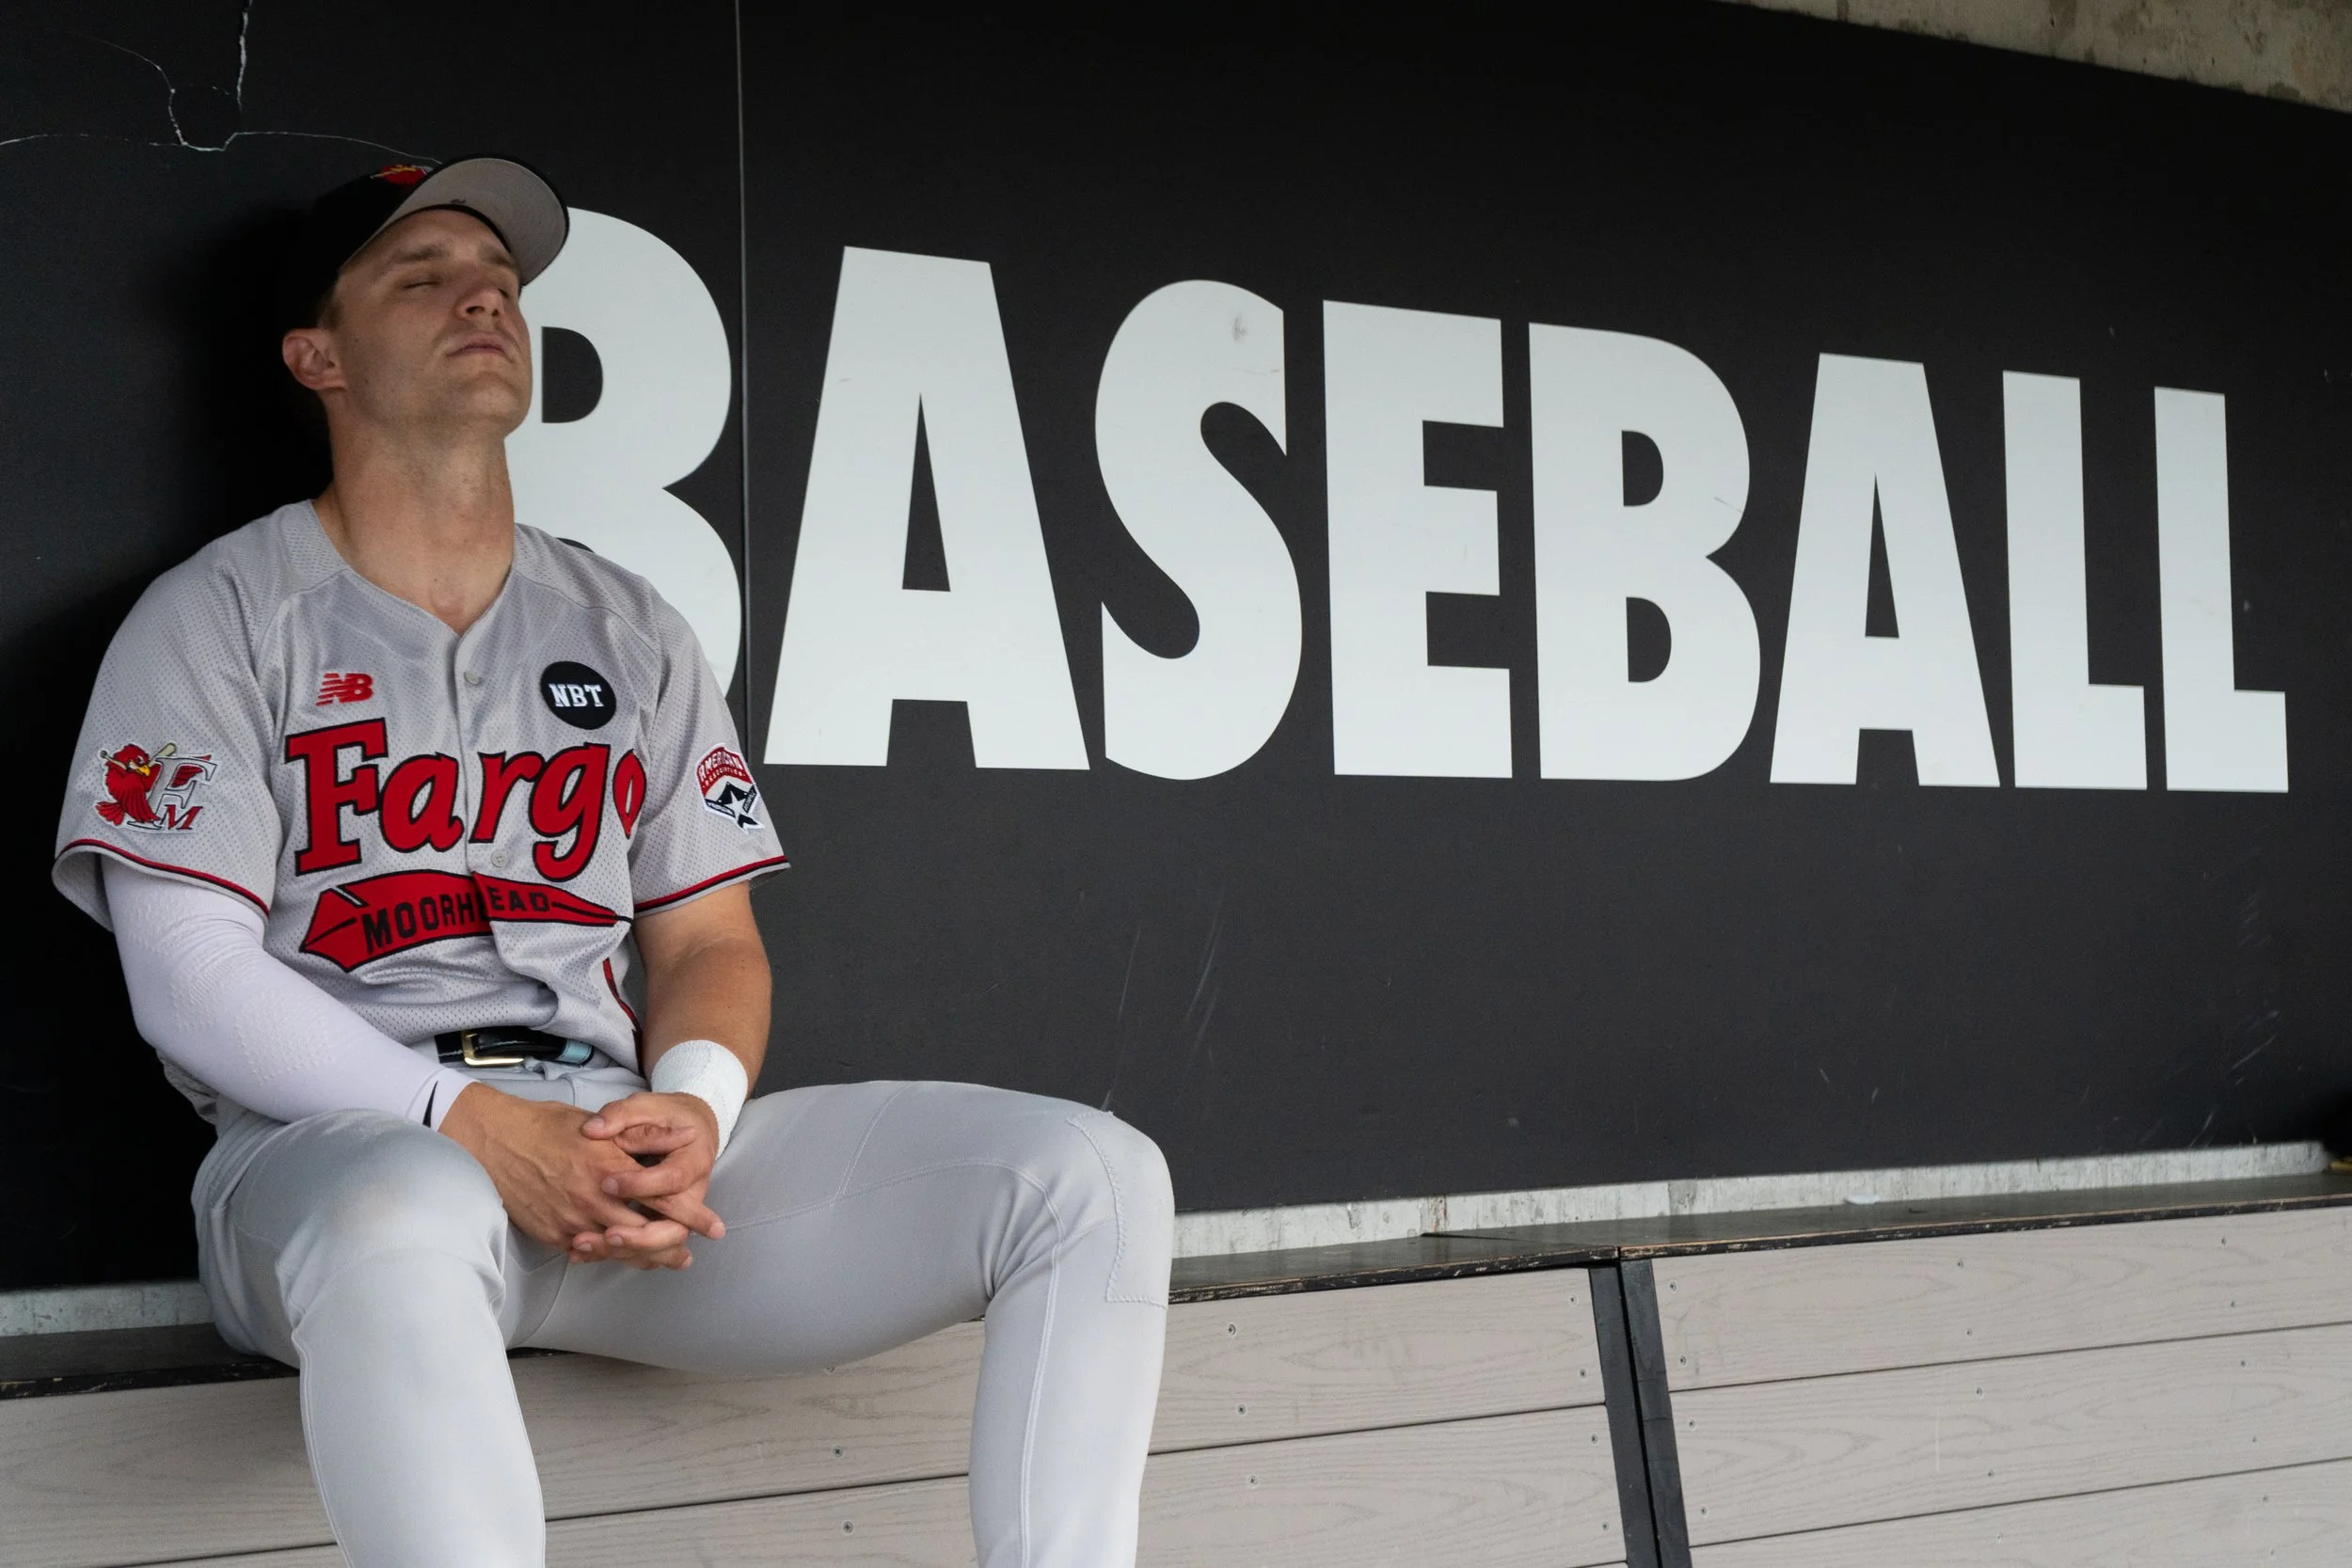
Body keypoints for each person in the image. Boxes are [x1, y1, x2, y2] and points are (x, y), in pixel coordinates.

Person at [52, 157, 1174, 1568]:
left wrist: (692, 1109)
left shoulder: (628, 624)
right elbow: (186, 977)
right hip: (331, 1171)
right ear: (315, 355)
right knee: (410, 1203)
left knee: (1089, 1174)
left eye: (502, 280)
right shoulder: (216, 615)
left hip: (610, 1164)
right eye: (424, 275)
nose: (483, 297)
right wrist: (466, 1123)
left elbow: (708, 944)